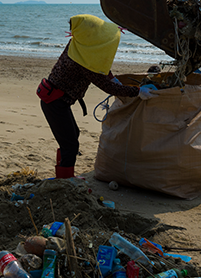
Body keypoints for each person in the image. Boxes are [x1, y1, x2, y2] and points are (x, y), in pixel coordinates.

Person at [38, 14, 158, 178]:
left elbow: (97, 62)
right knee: (70, 144)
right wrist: (138, 91)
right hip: (54, 103)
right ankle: (65, 179)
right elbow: (107, 86)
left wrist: (112, 77)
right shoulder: (82, 61)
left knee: (72, 135)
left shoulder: (78, 46)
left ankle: (64, 174)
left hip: (57, 101)